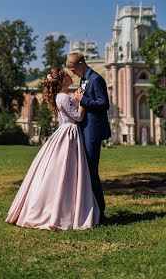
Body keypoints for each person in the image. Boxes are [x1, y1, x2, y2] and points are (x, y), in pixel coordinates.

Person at [5, 67, 99, 230]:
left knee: (66, 170)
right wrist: (82, 101)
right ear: (62, 81)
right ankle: (58, 212)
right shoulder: (63, 97)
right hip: (69, 133)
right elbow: (78, 117)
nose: (70, 77)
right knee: (66, 170)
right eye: (67, 76)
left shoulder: (63, 96)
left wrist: (77, 99)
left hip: (68, 133)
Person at [66, 52, 110, 224]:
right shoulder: (84, 79)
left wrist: (83, 99)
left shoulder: (96, 79)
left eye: (73, 69)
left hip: (93, 130)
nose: (72, 73)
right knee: (84, 170)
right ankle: (87, 210)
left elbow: (103, 104)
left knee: (91, 171)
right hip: (84, 128)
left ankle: (100, 212)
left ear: (81, 63)